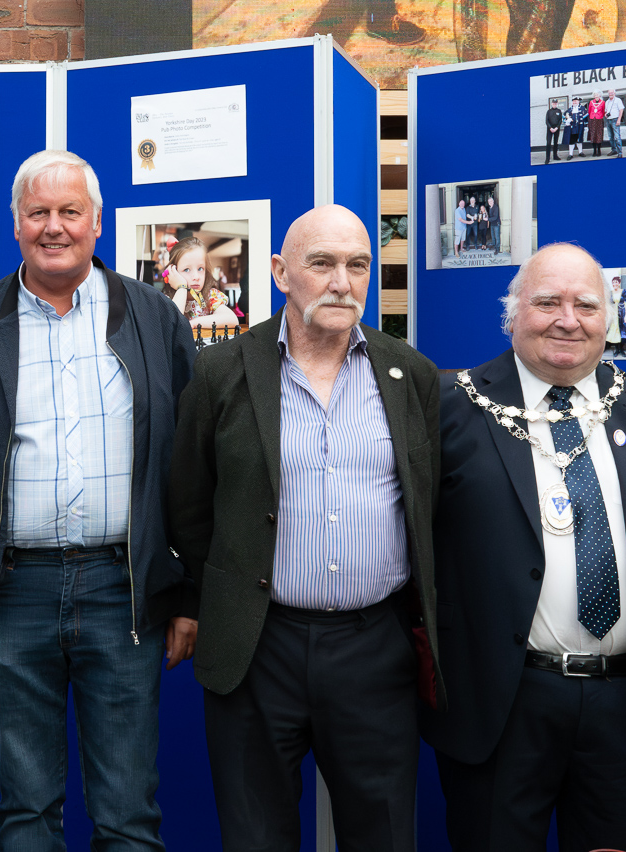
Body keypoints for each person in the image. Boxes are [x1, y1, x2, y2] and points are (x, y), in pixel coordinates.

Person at [0, 150, 196, 851]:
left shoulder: (154, 317)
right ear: (16, 226)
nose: (55, 227)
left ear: (98, 223)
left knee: (129, 811)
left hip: (123, 591)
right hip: (10, 595)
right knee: (27, 809)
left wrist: (189, 597)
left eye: (70, 212)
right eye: (39, 213)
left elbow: (196, 463)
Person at [169, 205, 440, 850]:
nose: (342, 281)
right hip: (259, 645)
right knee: (256, 835)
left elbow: (429, 508)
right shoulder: (221, 374)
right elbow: (189, 504)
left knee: (383, 834)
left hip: (375, 645)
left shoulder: (409, 375)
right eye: (322, 263)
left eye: (357, 265)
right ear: (280, 273)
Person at [428, 243, 626, 852]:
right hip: (502, 701)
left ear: (610, 319)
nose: (567, 320)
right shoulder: (449, 406)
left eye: (586, 305)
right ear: (512, 313)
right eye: (546, 302)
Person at [164, 235, 237, 329]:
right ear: (172, 271)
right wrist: (181, 288)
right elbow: (171, 324)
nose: (196, 277)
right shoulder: (167, 299)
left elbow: (232, 319)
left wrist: (194, 323)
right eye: (186, 270)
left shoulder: (210, 296)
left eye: (200, 268)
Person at [604, 88, 626, 156]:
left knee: (617, 137)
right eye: (609, 93)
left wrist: (619, 119)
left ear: (614, 93)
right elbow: (606, 110)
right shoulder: (607, 101)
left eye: (612, 93)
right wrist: (605, 114)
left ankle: (620, 153)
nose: (610, 94)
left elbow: (621, 110)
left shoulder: (618, 100)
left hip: (615, 120)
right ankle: (614, 150)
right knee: (610, 137)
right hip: (608, 120)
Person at [544, 98, 564, 163]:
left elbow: (560, 120)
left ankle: (555, 156)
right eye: (553, 103)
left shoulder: (559, 111)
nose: (554, 104)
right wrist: (550, 128)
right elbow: (546, 121)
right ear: (552, 104)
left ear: (557, 104)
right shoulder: (549, 111)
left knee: (556, 143)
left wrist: (556, 128)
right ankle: (547, 158)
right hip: (550, 129)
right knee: (548, 143)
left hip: (556, 129)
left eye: (555, 103)